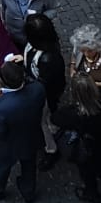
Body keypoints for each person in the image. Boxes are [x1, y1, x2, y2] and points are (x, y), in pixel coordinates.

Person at [0, 61, 46, 202]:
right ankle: (28, 192)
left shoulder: (2, 107)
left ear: (1, 81)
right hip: (31, 136)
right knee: (29, 165)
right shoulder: (38, 88)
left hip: (9, 143)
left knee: (1, 167)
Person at [54, 73, 101, 203]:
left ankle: (92, 193)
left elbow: (55, 119)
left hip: (87, 148)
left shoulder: (73, 113)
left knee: (87, 172)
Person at [19, 14, 68, 170]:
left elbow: (44, 84)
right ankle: (53, 125)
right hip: (44, 90)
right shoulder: (45, 49)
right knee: (47, 117)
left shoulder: (49, 58)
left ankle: (51, 149)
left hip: (42, 94)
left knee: (41, 123)